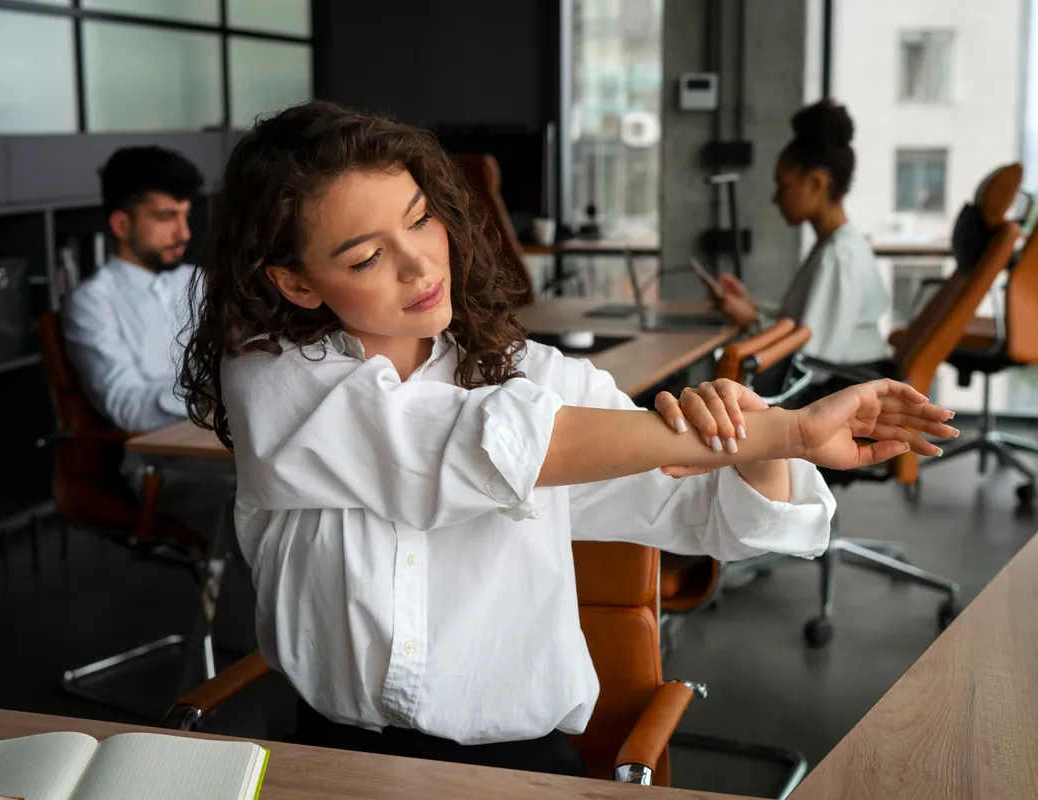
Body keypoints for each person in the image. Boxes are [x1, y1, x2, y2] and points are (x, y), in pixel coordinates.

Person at [178, 101, 957, 776]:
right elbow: (456, 447)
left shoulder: (539, 377)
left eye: (420, 219)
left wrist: (754, 442)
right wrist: (789, 425)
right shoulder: (272, 377)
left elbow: (708, 516)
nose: (420, 264)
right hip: (334, 759)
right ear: (296, 281)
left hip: (520, 765)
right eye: (368, 255)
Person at [62, 146, 230, 541]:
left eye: (185, 216)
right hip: (167, 468)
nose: (184, 233)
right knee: (266, 503)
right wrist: (210, 393)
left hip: (226, 445)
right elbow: (126, 406)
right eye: (166, 217)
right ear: (122, 224)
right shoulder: (93, 302)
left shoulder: (198, 281)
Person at [713, 99, 892, 380]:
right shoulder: (835, 247)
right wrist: (753, 306)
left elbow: (811, 360)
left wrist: (751, 321)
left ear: (818, 183)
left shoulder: (840, 256)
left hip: (843, 387)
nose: (775, 198)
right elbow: (802, 323)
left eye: (783, 185)